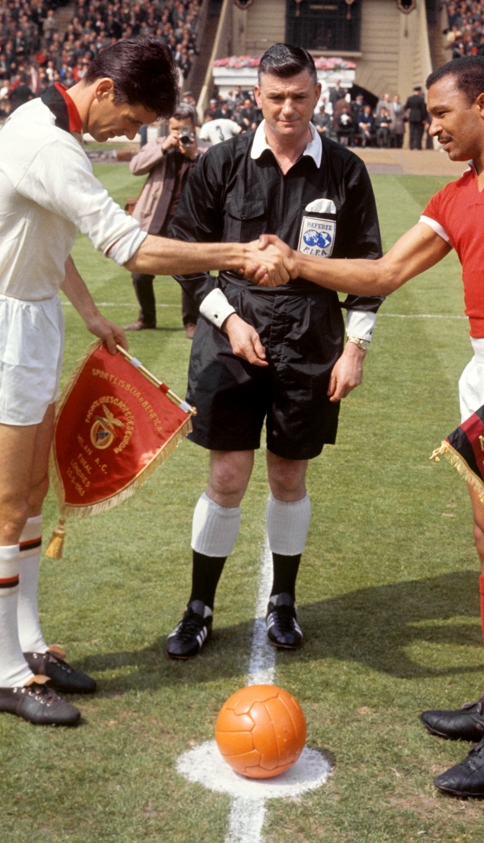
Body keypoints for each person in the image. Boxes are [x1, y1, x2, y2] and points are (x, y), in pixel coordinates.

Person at [261, 56, 484, 798]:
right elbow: (382, 274)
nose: (431, 128)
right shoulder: (458, 195)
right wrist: (299, 263)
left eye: (441, 114)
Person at [0, 37, 292, 729]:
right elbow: (128, 244)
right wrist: (236, 255)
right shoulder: (50, 144)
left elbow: (47, 235)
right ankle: (7, 675)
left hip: (32, 318)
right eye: (132, 119)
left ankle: (32, 646)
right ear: (102, 88)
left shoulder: (54, 131)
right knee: (3, 509)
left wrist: (92, 312)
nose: (131, 134)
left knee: (34, 495)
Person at [162, 43, 384, 661]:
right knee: (227, 476)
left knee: (289, 475)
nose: (288, 107)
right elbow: (185, 255)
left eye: (300, 95)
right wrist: (229, 321)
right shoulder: (222, 162)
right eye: (276, 96)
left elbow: (371, 267)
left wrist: (356, 348)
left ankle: (283, 600)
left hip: (312, 338)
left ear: (318, 95)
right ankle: (199, 606)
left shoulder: (345, 170)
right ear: (255, 97)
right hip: (229, 336)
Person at [125, 102, 205, 337]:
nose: (180, 135)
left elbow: (219, 175)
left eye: (185, 130)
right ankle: (147, 318)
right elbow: (135, 167)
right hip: (155, 218)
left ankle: (192, 322)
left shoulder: (207, 150)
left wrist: (195, 155)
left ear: (195, 127)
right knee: (140, 272)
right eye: (175, 129)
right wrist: (163, 148)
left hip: (189, 220)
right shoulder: (157, 145)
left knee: (190, 272)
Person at [405, 85, 427, 149]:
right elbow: (423, 110)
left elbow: (406, 107)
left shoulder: (410, 98)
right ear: (419, 91)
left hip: (411, 117)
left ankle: (411, 146)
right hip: (419, 117)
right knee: (419, 132)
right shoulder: (421, 99)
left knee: (411, 132)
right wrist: (424, 118)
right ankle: (418, 146)